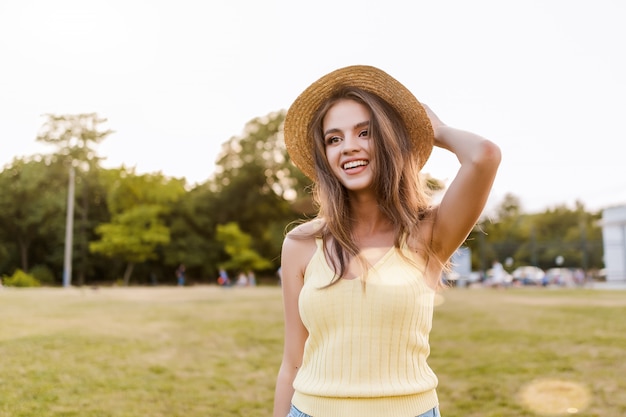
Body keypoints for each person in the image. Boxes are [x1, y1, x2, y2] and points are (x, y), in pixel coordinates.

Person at [273, 65, 501, 417]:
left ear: (389, 140)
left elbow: (484, 155)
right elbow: (292, 363)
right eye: (334, 139)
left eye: (365, 133)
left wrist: (435, 130)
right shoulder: (300, 244)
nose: (348, 147)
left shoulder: (430, 233)